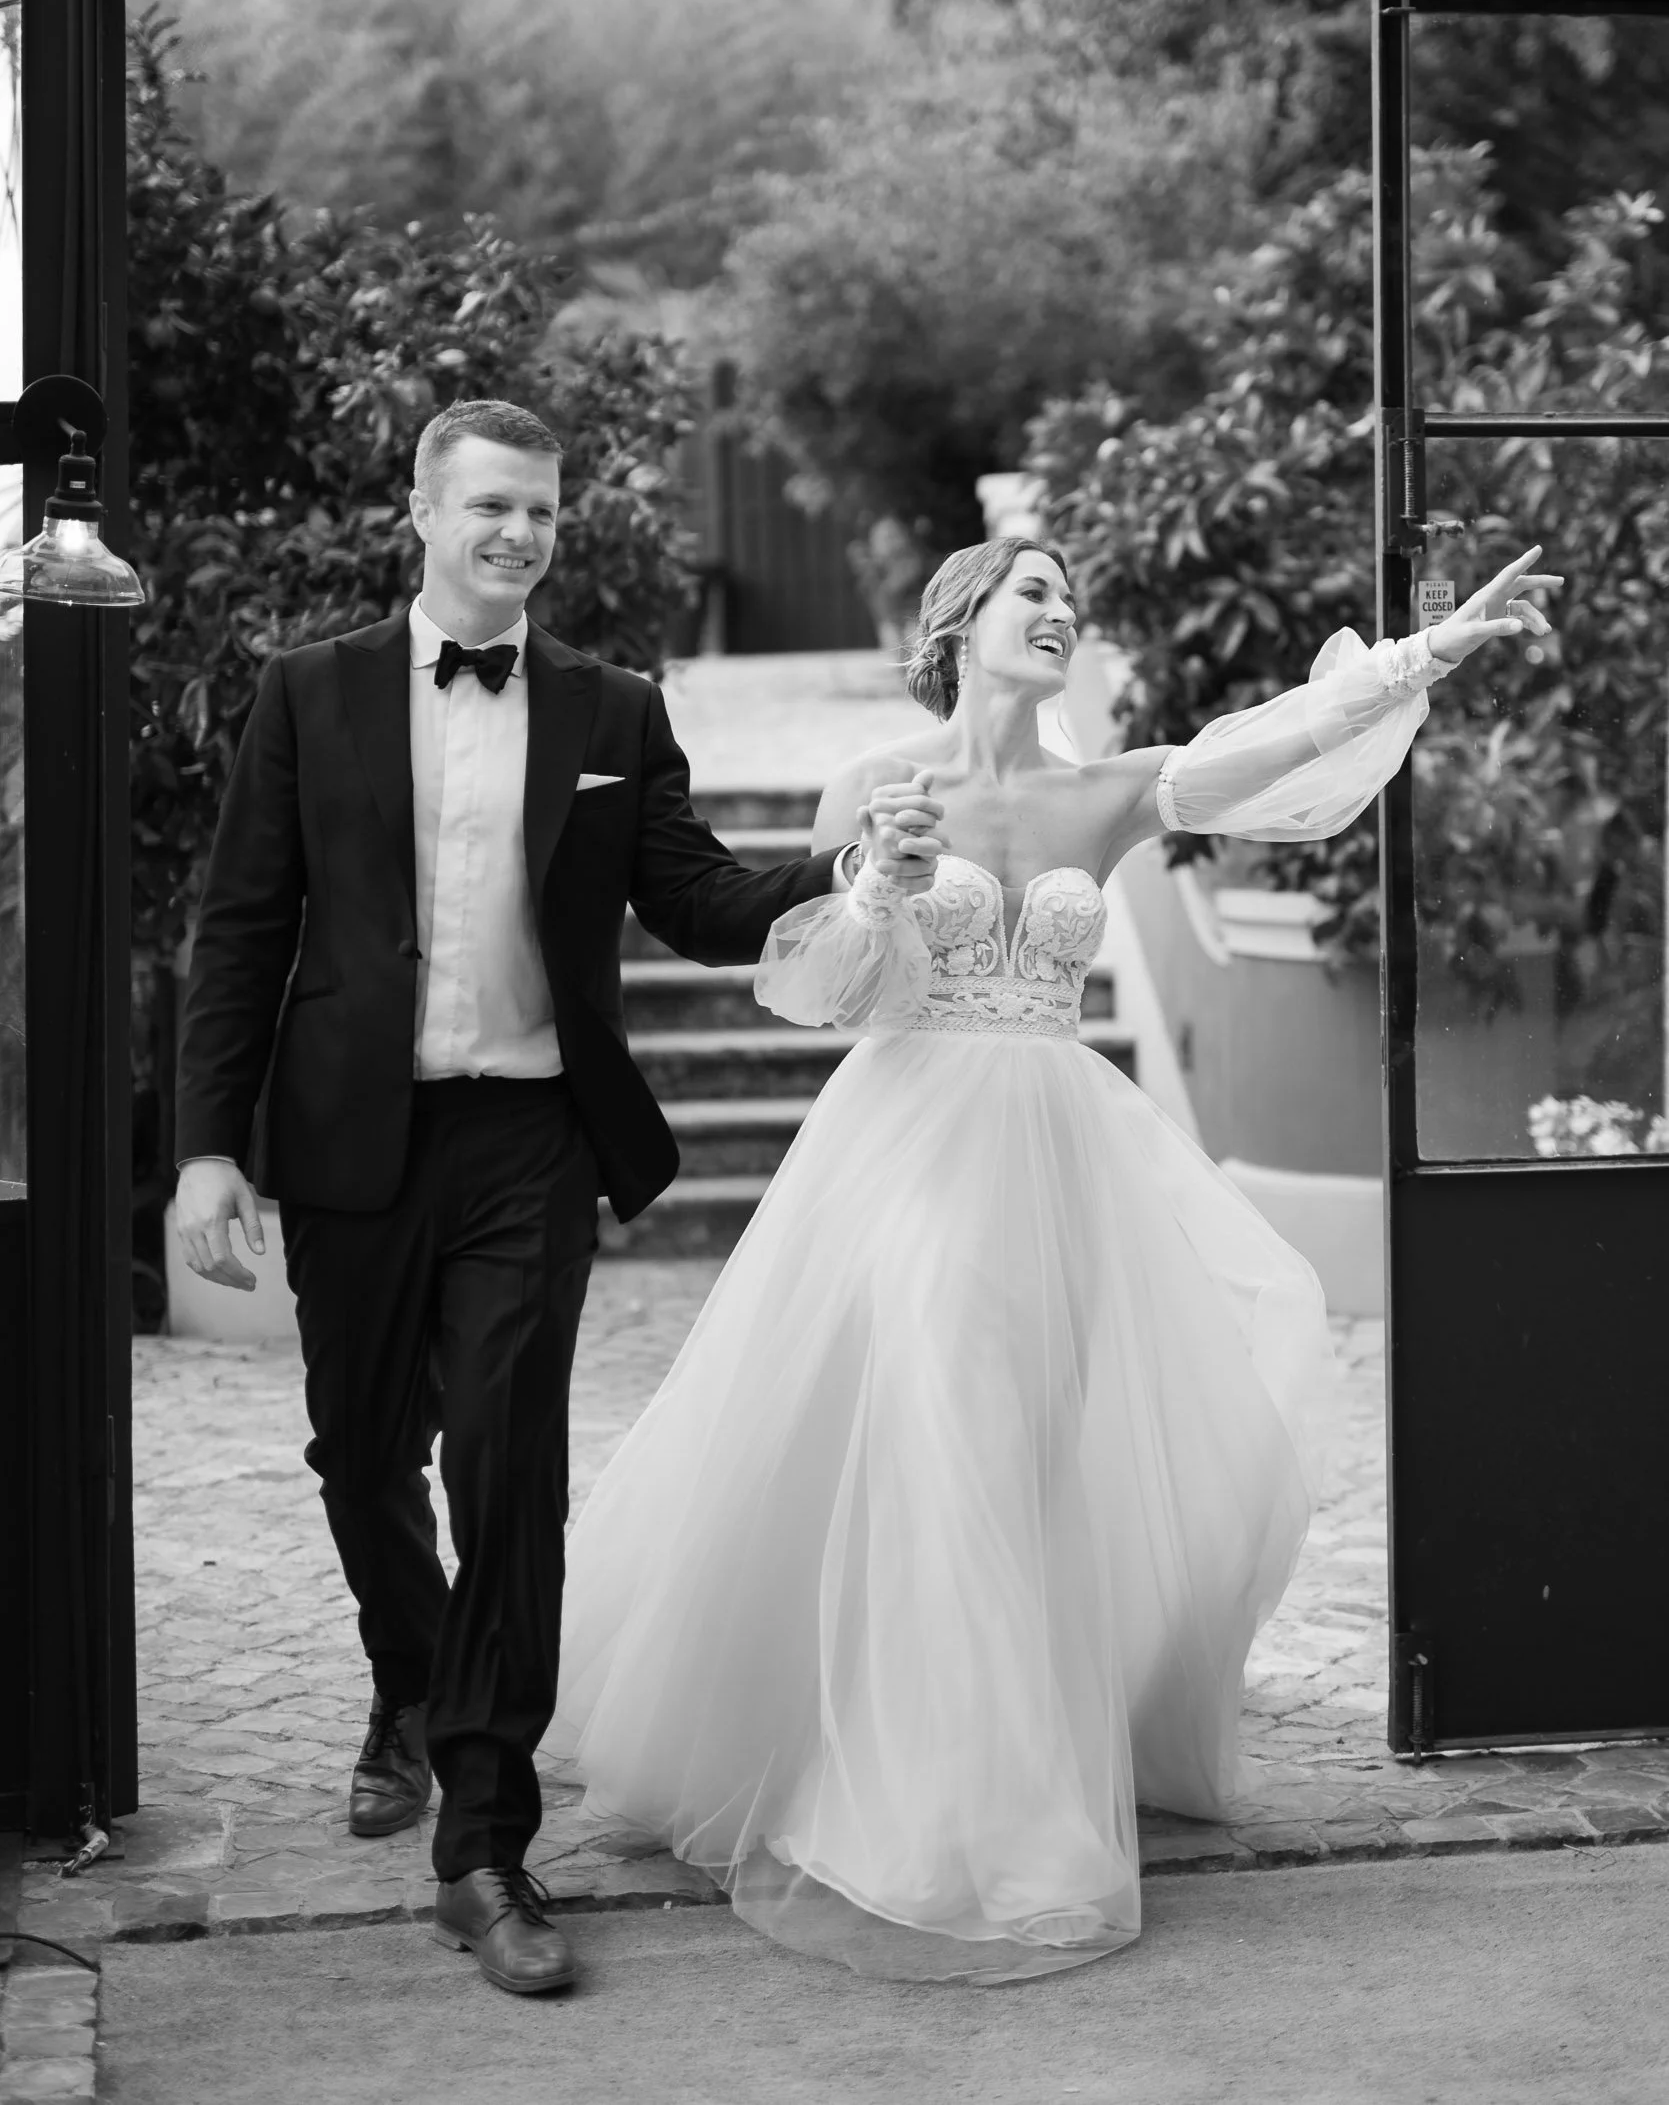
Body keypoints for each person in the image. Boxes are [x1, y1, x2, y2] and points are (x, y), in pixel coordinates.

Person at [550, 532, 1560, 1984]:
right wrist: (878, 884)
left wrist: (1424, 655)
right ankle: (960, 1818)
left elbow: (1279, 739)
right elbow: (822, 991)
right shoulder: (875, 784)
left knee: (1024, 1455)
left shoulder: (1111, 789)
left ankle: (1005, 1755)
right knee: (942, 1438)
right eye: (1034, 591)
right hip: (911, 1153)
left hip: (1063, 1161)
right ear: (957, 621)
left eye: (1070, 600)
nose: (1061, 614)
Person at [171, 398, 885, 1997]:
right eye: (492, 505)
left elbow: (694, 897)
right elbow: (244, 924)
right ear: (424, 513)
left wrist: (840, 871)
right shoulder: (310, 692)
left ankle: (483, 1846)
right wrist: (210, 1144)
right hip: (355, 1137)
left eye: (544, 512)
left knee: (507, 1469)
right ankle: (414, 1677)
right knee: (362, 1452)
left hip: (531, 1142)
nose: (521, 533)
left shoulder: (612, 707)